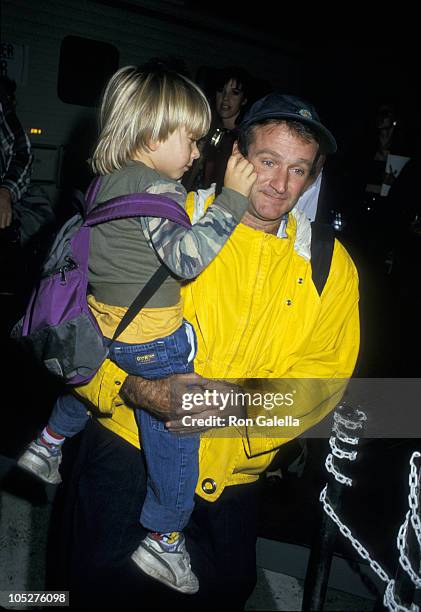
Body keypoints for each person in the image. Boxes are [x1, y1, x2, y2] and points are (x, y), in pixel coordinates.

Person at [49, 93, 360, 610]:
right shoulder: (166, 216)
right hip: (130, 455)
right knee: (89, 593)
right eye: (267, 162)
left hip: (231, 481)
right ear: (237, 154)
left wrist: (233, 408)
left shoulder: (329, 264)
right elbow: (73, 325)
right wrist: (136, 389)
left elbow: (323, 379)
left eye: (298, 170)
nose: (280, 185)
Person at [17, 64, 256, 593]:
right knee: (178, 434)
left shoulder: (104, 184)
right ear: (152, 134)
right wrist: (232, 199)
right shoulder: (160, 189)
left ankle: (49, 440)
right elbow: (187, 259)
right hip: (153, 342)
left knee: (90, 382)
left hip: (104, 326)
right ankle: (166, 539)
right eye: (190, 139)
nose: (196, 153)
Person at [183, 66, 257, 195]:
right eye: (221, 90)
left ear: (244, 99)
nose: (225, 98)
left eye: (235, 92)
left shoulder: (245, 139)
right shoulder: (205, 128)